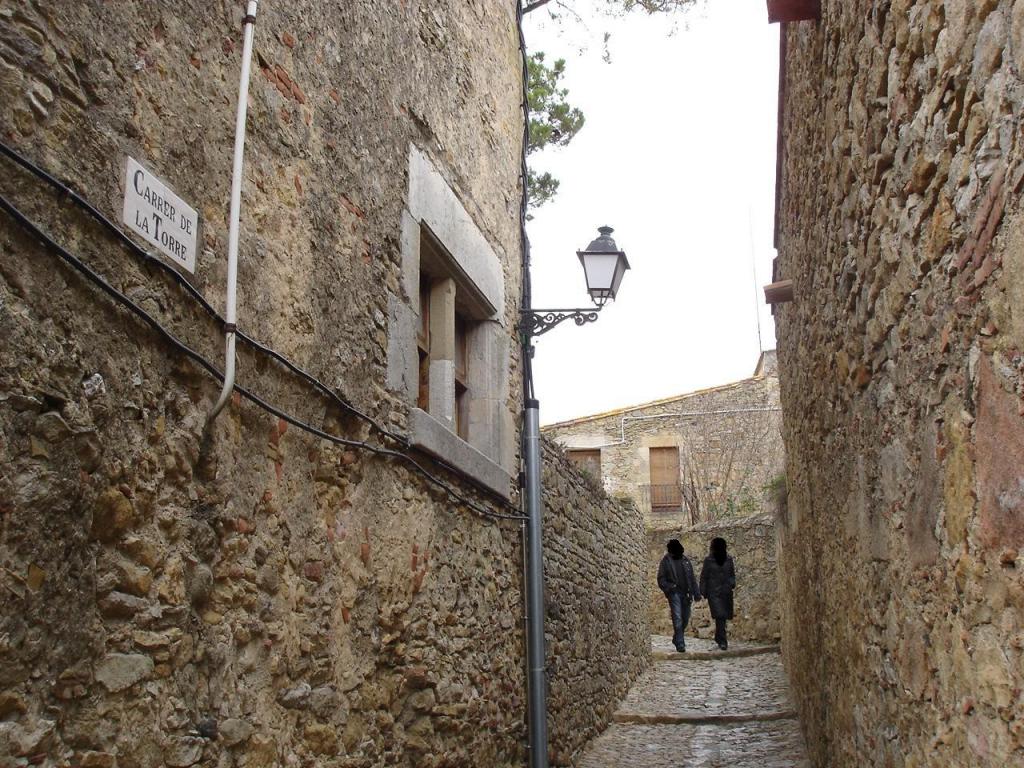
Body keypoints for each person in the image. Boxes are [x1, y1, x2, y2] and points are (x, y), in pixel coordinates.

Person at [657, 538, 701, 652]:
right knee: (677, 617)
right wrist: (670, 588)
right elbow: (661, 579)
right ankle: (681, 644)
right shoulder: (666, 561)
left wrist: (696, 593)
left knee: (685, 618)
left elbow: (691, 578)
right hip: (674, 593)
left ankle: (676, 638)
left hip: (686, 593)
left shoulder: (685, 560)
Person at [699, 537, 736, 650]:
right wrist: (703, 591)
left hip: (725, 592)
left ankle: (719, 637)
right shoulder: (708, 560)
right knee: (720, 615)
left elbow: (732, 574)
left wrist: (731, 583)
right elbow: (704, 576)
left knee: (723, 617)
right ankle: (723, 641)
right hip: (713, 593)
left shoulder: (728, 559)